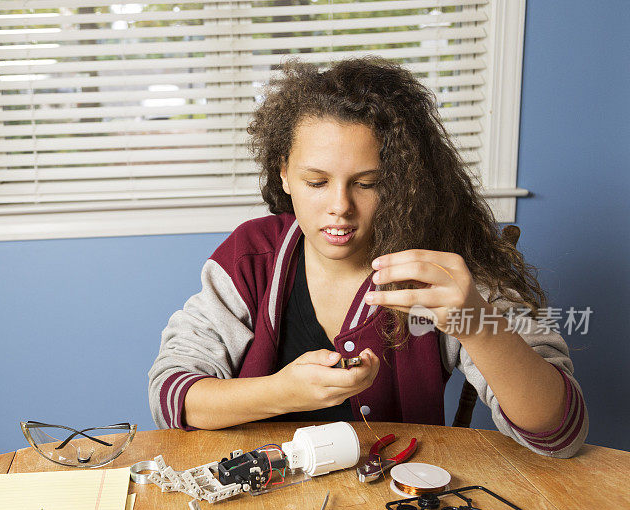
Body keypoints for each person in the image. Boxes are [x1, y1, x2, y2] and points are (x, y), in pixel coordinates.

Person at [148, 57, 587, 458]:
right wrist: (282, 392)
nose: (340, 205)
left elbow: (559, 433)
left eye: (367, 182)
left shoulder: (439, 269)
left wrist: (475, 322)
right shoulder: (253, 258)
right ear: (283, 172)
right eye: (316, 181)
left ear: (399, 180)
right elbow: (171, 396)